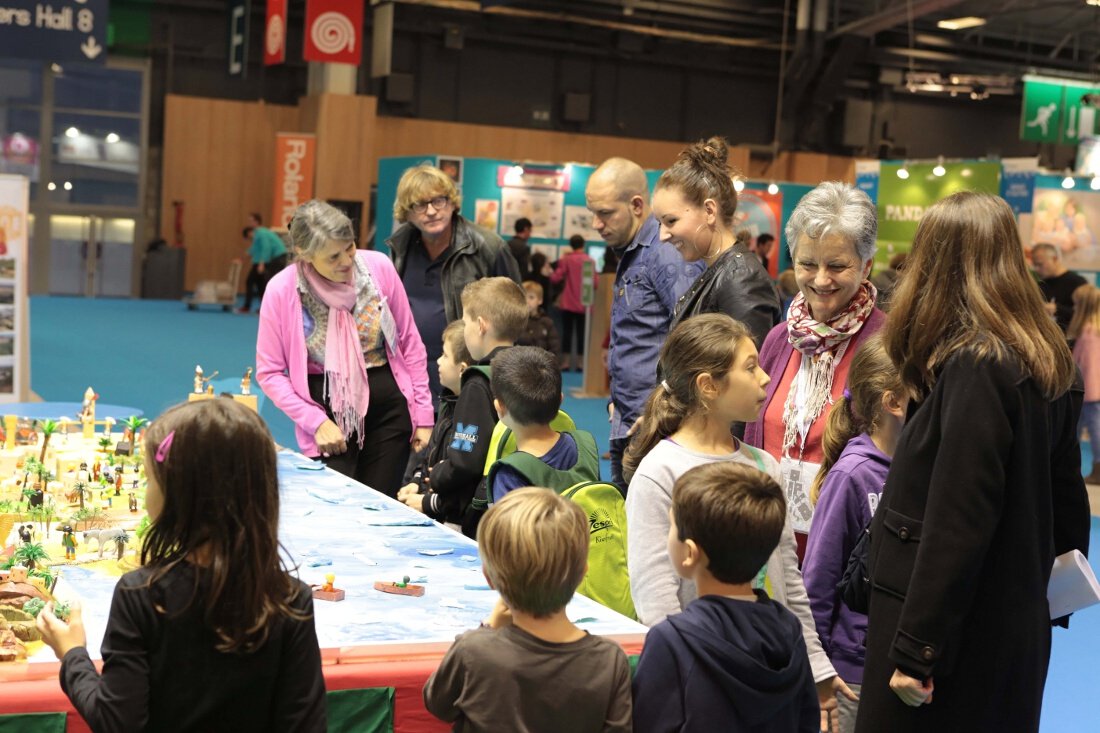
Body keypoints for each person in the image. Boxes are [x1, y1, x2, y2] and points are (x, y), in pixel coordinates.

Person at [856, 192, 1092, 733]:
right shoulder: (1047, 356)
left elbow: (957, 520)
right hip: (1013, 624)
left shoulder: (978, 364)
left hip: (952, 642)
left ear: (935, 264)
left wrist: (918, 649)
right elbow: (1068, 504)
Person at [35, 398, 326, 732]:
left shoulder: (141, 596)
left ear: (179, 494)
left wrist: (72, 654)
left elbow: (118, 721)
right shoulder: (290, 599)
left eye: (151, 480)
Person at [623, 314, 851, 722]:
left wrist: (815, 667)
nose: (766, 378)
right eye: (750, 368)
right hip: (704, 679)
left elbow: (787, 579)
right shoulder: (660, 474)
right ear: (708, 386)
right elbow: (656, 602)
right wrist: (698, 673)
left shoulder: (764, 466)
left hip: (768, 671)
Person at [257, 200, 434, 498]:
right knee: (336, 509)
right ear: (304, 254)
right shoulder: (283, 289)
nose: (346, 261)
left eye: (349, 247)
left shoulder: (379, 267)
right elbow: (270, 372)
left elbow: (409, 343)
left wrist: (423, 413)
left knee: (379, 508)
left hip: (388, 408)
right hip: (326, 412)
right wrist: (315, 422)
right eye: (333, 256)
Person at [745, 181, 885, 558]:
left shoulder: (888, 347)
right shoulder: (778, 340)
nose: (821, 280)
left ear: (867, 265)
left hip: (846, 552)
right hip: (770, 544)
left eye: (837, 265)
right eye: (808, 263)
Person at [423, 487, 632, 733]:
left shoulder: (473, 650)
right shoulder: (610, 660)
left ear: (489, 578)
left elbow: (437, 704)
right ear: (581, 574)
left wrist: (489, 629)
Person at [632, 462, 818, 733]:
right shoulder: (789, 629)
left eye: (671, 526)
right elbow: (807, 722)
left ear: (690, 553)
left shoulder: (672, 641)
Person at [801, 335, 906, 733]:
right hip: (850, 674)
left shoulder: (922, 469)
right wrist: (820, 670)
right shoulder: (852, 476)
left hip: (897, 663)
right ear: (893, 403)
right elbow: (818, 582)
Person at [586, 157, 703, 492]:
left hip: (656, 425)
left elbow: (692, 337)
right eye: (593, 212)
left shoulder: (664, 252)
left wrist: (666, 404)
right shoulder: (633, 251)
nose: (596, 223)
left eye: (605, 213)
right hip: (628, 418)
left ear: (637, 205)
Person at [386, 165, 521, 404]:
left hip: (470, 377)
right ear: (407, 212)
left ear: (452, 202)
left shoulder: (488, 246)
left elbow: (515, 317)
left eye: (438, 201)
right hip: (410, 378)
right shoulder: (399, 248)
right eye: (419, 204)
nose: (431, 211)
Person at [652, 137, 780, 347]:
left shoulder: (741, 278)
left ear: (709, 211)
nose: (662, 235)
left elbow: (748, 373)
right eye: (660, 224)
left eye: (671, 221)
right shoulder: (721, 271)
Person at [486, 346, 599, 502]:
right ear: (560, 400)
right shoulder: (585, 446)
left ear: (499, 407)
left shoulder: (510, 474)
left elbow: (509, 527)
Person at [397, 320, 479, 525]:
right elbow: (432, 456)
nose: (439, 362)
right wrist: (417, 482)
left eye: (445, 355)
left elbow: (463, 477)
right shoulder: (447, 403)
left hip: (453, 519)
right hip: (435, 505)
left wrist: (428, 502)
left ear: (462, 369)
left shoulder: (470, 414)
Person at [550, 234, 598, 371]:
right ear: (583, 245)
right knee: (582, 333)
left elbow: (556, 278)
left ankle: (565, 363)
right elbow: (595, 283)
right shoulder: (590, 261)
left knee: (567, 332)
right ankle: (580, 364)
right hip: (585, 304)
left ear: (571, 245)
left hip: (568, 302)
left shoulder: (566, 260)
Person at [1069, 284, 1100, 483]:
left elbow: (1085, 367)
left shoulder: (1088, 334)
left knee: (1094, 428)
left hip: (1089, 391)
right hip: (1090, 390)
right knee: (1078, 429)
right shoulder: (1093, 330)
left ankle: (1097, 468)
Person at [238, 213, 290, 314]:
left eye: (251, 221)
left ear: (257, 222)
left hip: (278, 258)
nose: (249, 223)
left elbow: (266, 248)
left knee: (265, 283)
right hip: (276, 258)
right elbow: (254, 248)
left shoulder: (261, 232)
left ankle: (269, 308)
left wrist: (262, 263)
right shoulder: (259, 233)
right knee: (261, 283)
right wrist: (242, 258)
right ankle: (265, 308)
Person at [1032, 241, 1087, 335]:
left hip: (1069, 342)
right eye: (1035, 265)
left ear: (1054, 259)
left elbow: (1086, 315)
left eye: (1040, 264)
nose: (1036, 269)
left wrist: (1057, 309)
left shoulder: (1078, 283)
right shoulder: (1041, 284)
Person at [516, 280, 561, 360]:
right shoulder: (516, 321)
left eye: (531, 297)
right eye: (524, 297)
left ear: (540, 300)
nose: (527, 301)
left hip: (541, 366)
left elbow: (554, 348)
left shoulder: (547, 323)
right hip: (520, 365)